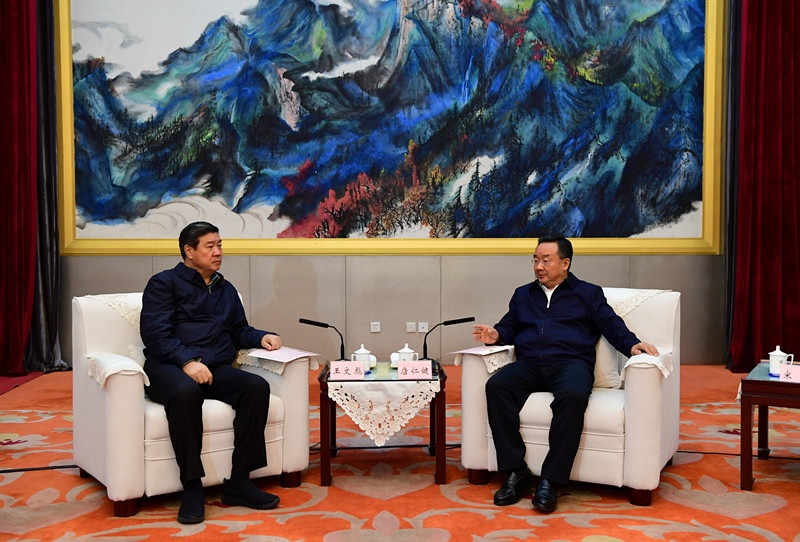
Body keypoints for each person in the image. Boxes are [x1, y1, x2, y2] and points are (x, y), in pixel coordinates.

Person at [472, 236, 659, 513]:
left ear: (565, 263)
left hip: (571, 363)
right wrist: (496, 335)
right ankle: (515, 471)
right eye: (535, 260)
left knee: (572, 395)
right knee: (497, 386)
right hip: (530, 363)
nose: (539, 266)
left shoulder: (588, 293)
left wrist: (632, 344)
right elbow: (509, 326)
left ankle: (551, 479)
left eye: (546, 260)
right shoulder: (523, 294)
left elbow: (610, 323)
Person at [140, 221, 284, 524]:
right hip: (168, 368)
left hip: (213, 368)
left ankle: (239, 482)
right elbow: (155, 334)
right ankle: (192, 485)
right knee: (186, 392)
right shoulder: (164, 283)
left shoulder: (225, 288)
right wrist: (187, 362)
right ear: (189, 251)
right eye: (210, 246)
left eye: (219, 245)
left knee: (255, 387)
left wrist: (261, 337)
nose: (218, 252)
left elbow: (239, 330)